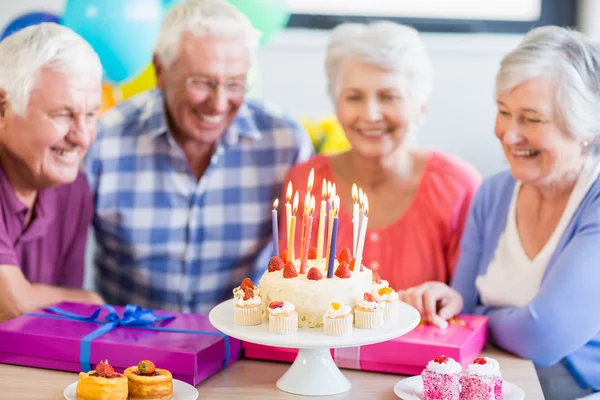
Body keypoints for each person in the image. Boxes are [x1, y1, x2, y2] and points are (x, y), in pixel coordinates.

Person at [399, 26, 600, 399]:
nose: (509, 135)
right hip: (488, 379)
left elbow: (544, 336)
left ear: (585, 127)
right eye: (504, 112)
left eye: (532, 119)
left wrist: (476, 317)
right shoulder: (493, 192)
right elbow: (457, 313)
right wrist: (449, 303)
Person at [83, 0, 313, 314]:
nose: (218, 104)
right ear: (160, 71)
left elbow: (303, 266)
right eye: (202, 82)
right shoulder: (105, 140)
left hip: (244, 341)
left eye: (234, 84)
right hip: (128, 345)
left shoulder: (285, 141)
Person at [281, 21, 481, 290]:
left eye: (389, 96)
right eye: (354, 97)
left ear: (420, 107)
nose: (371, 114)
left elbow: (468, 303)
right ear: (336, 105)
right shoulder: (308, 182)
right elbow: (295, 294)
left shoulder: (458, 185)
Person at [0, 23, 105, 322]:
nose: (83, 138)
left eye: (90, 114)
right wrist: (88, 299)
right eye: (63, 115)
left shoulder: (73, 190)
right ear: (2, 109)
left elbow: (64, 323)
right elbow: (11, 306)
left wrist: (79, 302)